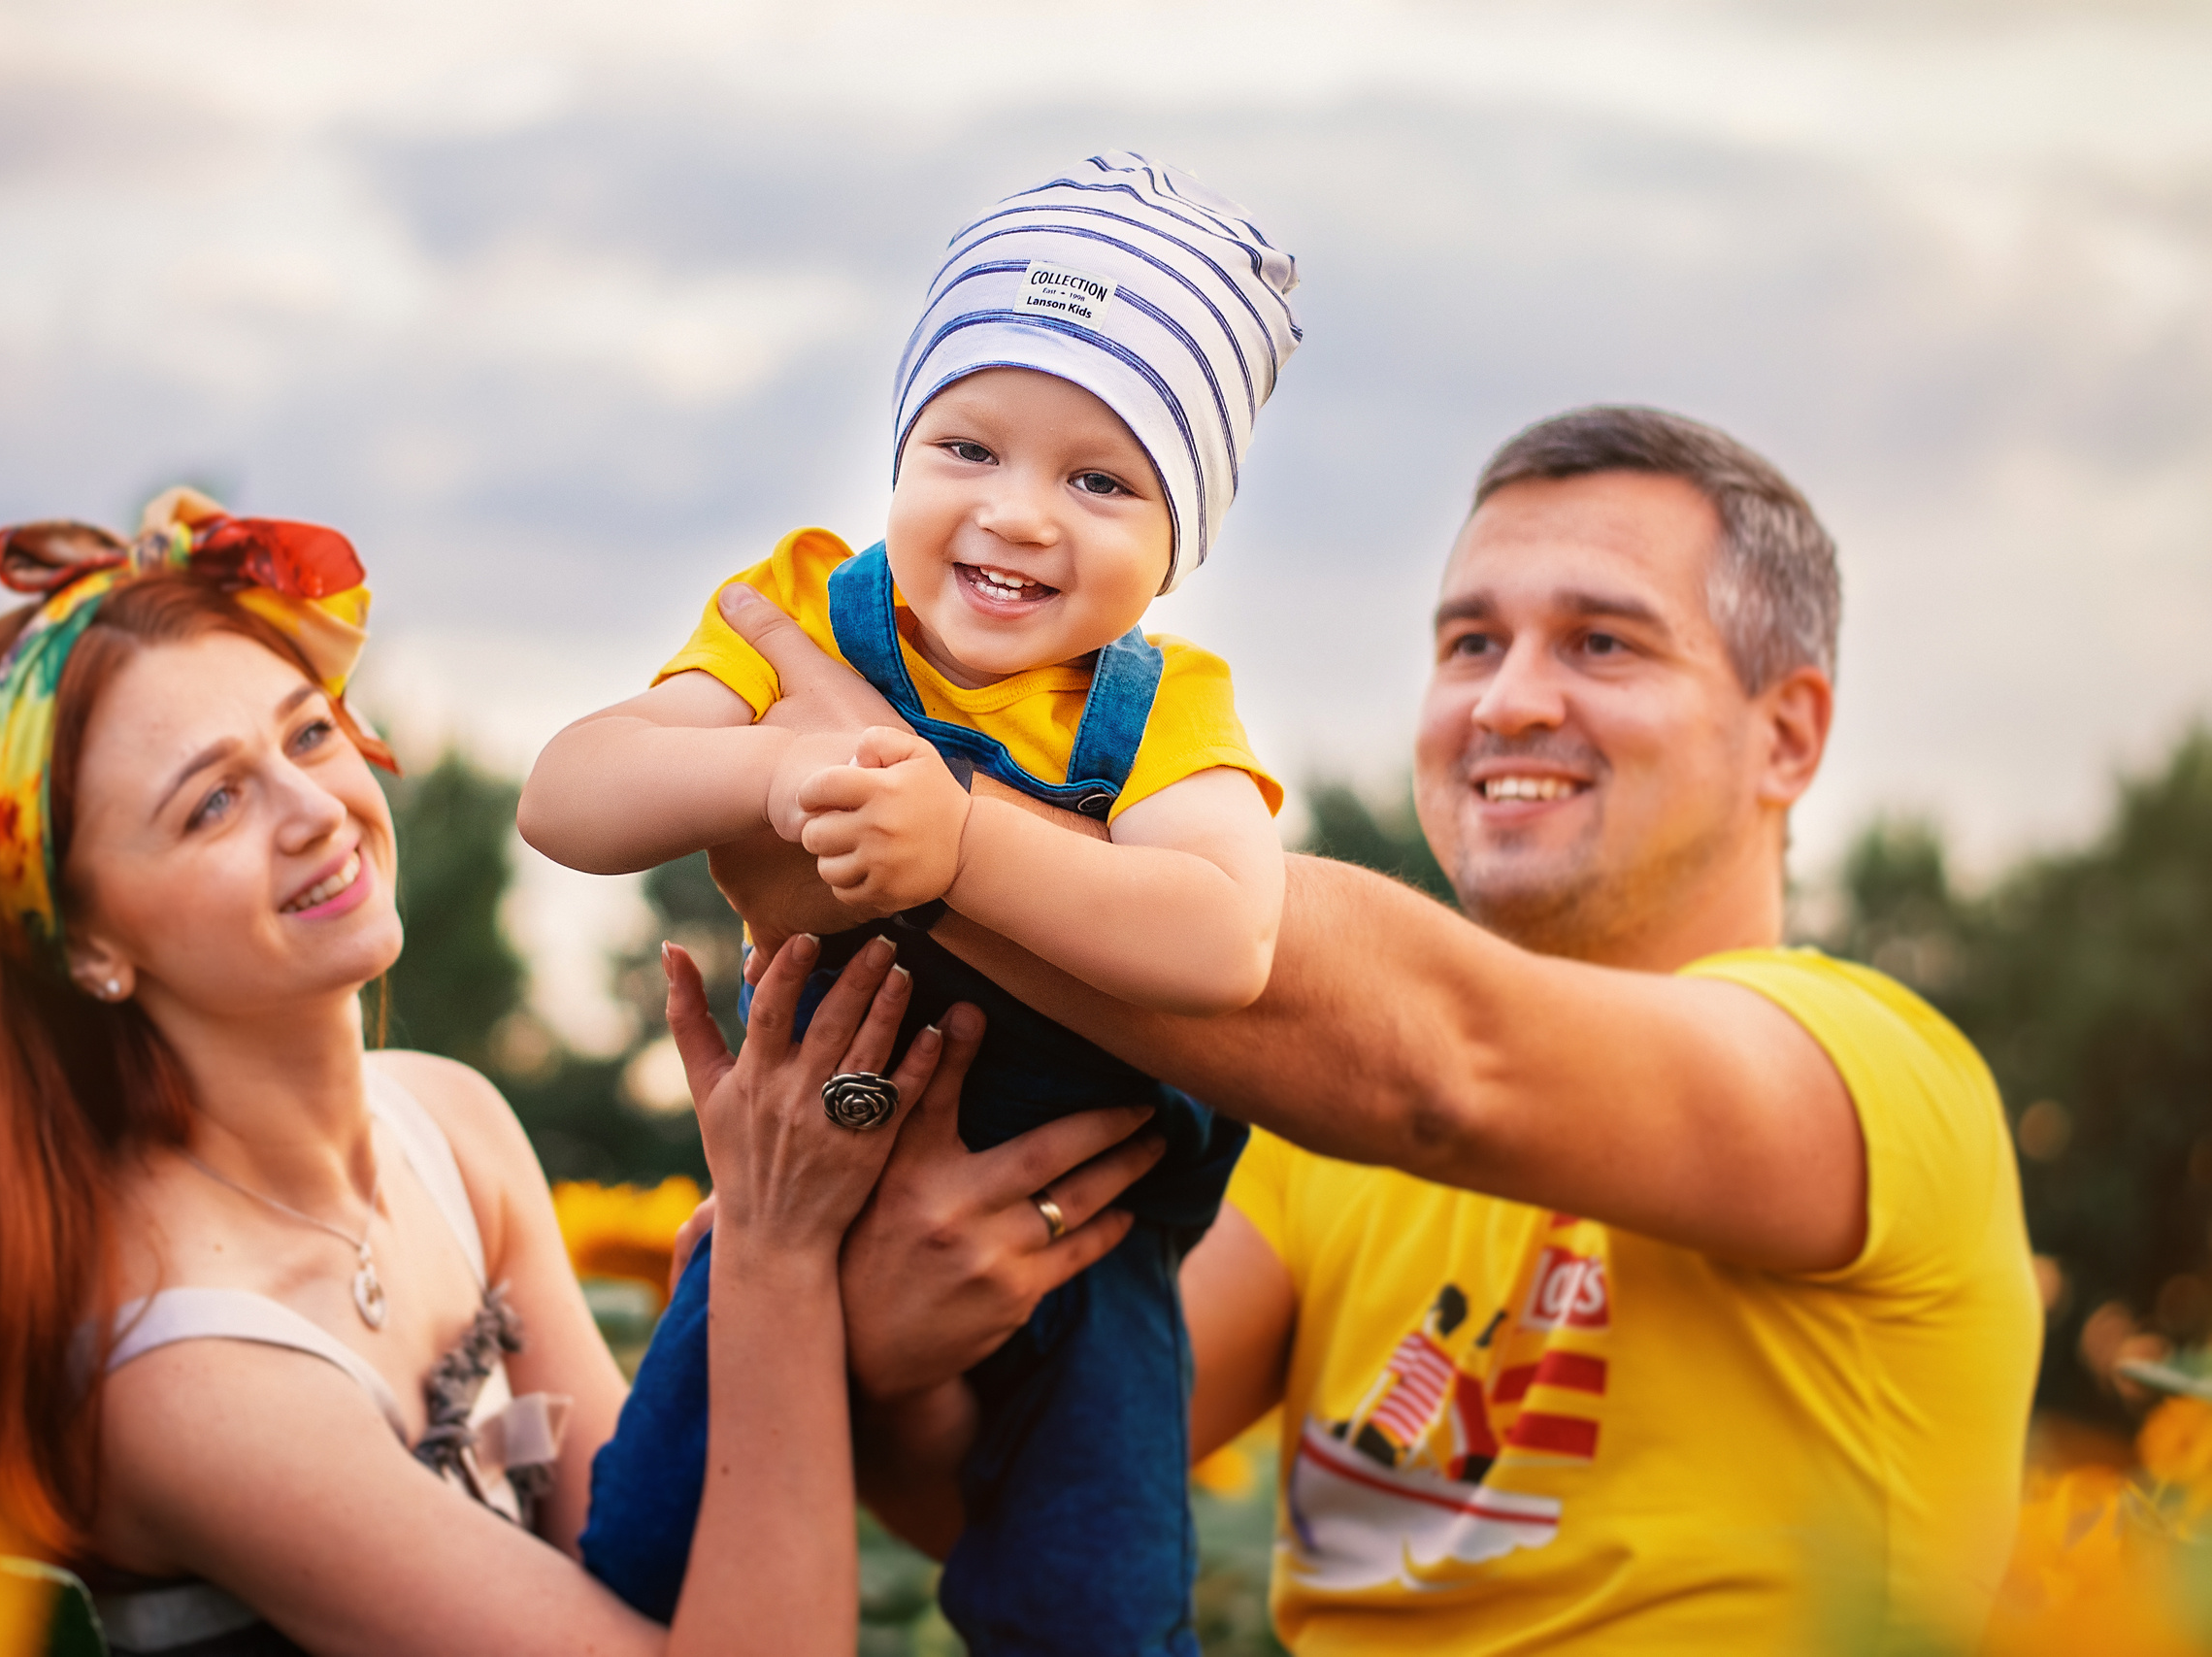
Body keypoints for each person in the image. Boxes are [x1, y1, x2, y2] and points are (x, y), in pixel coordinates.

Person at [703, 407, 2045, 1653]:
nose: (1507, 700)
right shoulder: (1311, 1144)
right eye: (1469, 642)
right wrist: (896, 1359)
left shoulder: (1877, 1077)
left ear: (1790, 736)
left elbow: (1444, 1064)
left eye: (1603, 642)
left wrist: (895, 797)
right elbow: (1013, 1503)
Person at [0, 486, 1095, 1657]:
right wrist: (772, 1252)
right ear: (90, 944)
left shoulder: (450, 1127)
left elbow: (642, 1553)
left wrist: (826, 1296)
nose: (314, 811)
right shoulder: (183, 1377)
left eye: (306, 734)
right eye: (210, 804)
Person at [518, 153, 1300, 1654]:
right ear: (899, 449)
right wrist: (767, 768)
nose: (1017, 514)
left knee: (1099, 1606)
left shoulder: (1161, 710)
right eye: (967, 447)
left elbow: (1225, 936)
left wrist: (960, 848)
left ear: (1177, 537)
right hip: (796, 1185)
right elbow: (566, 797)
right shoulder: (805, 610)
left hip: (1086, 1230)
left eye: (1100, 479)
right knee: (647, 1543)